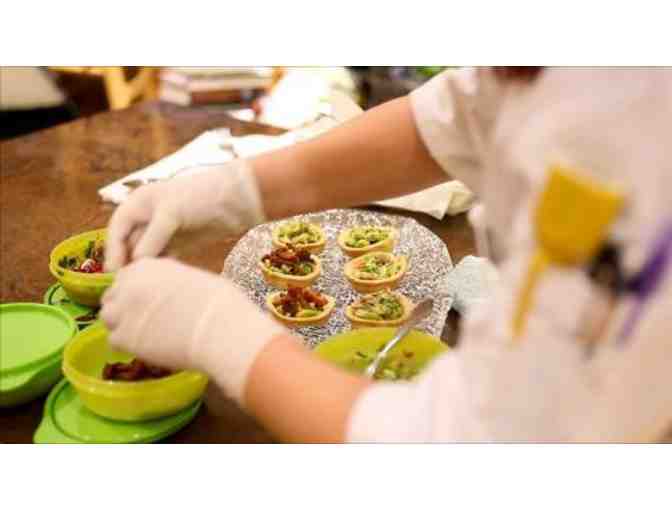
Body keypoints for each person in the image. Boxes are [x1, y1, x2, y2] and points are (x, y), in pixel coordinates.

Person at [102, 67, 672, 442]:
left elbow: (470, 447)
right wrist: (232, 190)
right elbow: (452, 117)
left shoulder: (636, 123)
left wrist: (220, 334)